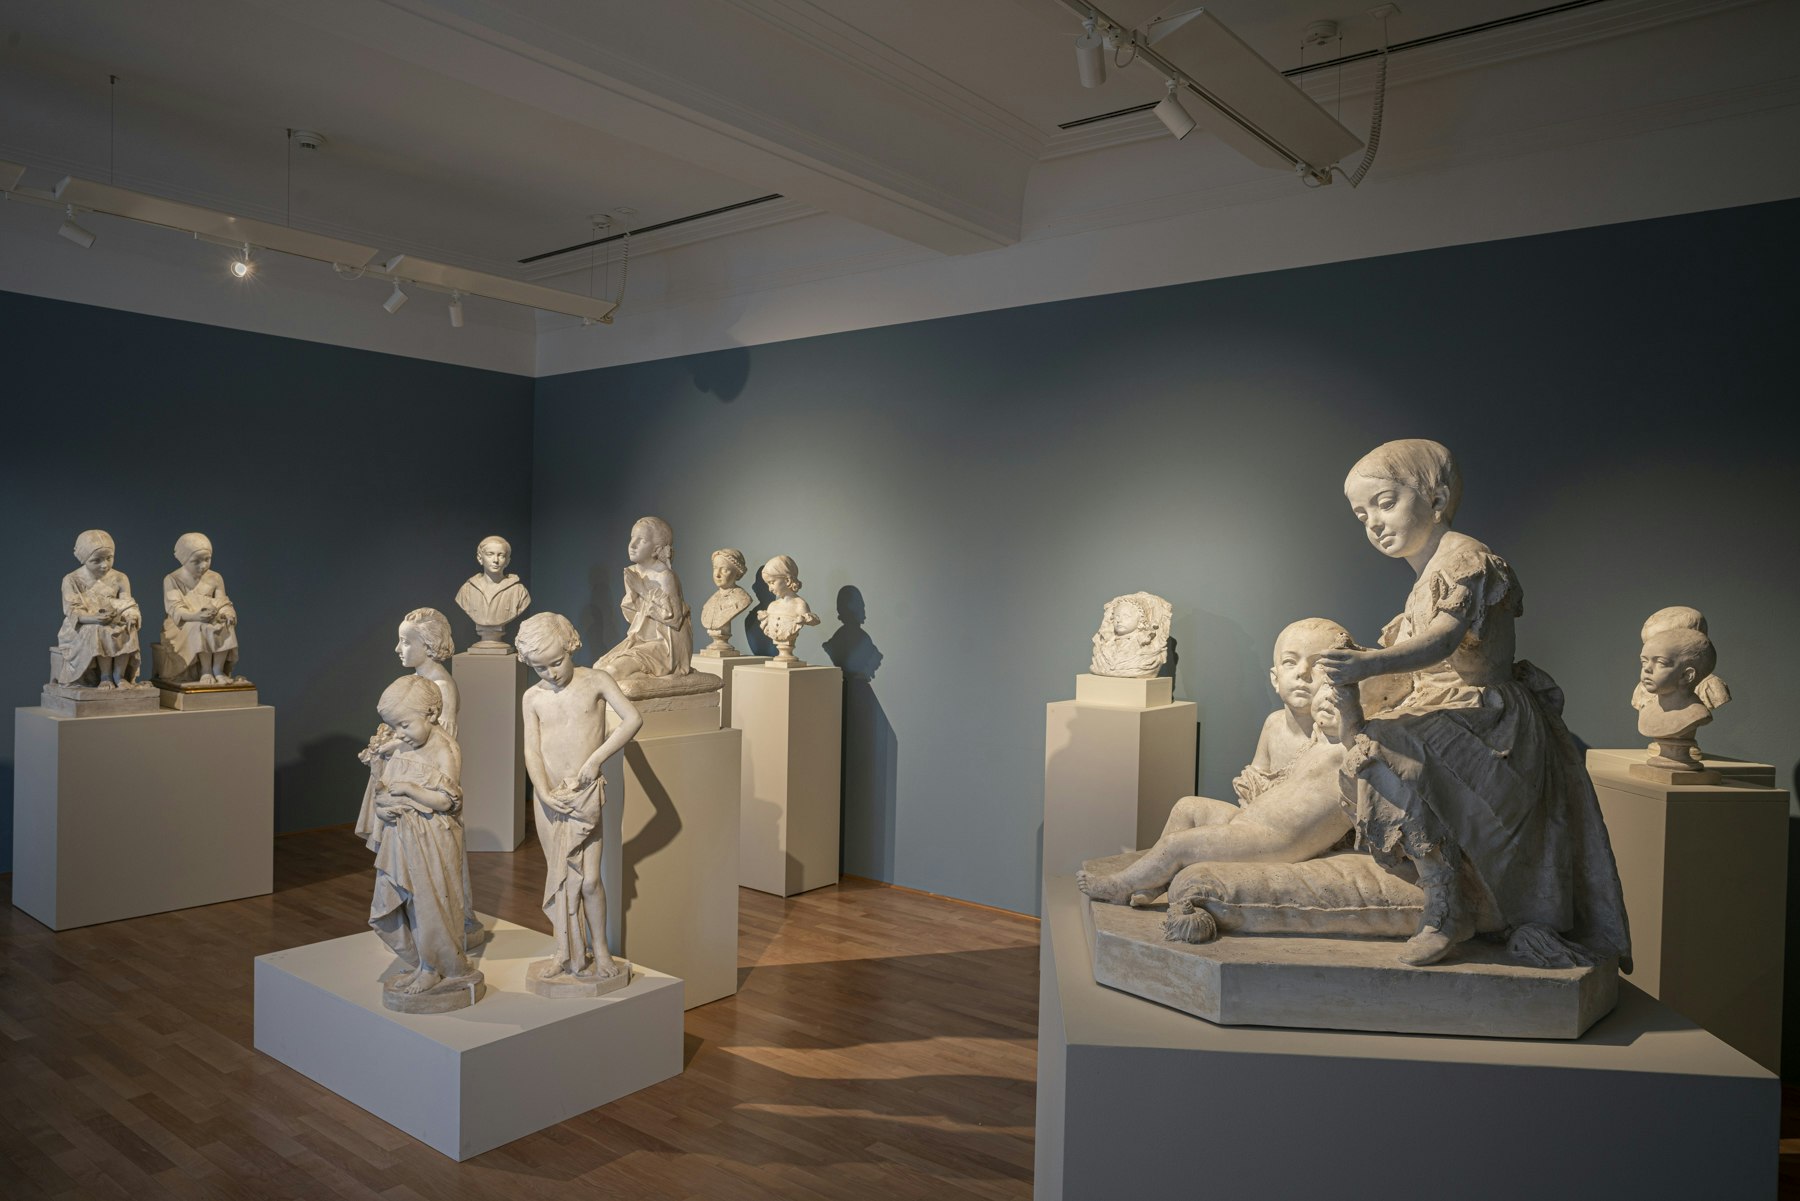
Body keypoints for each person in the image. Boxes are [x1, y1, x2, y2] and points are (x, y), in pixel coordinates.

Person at [1315, 438, 1631, 968]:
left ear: (1437, 500)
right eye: (1361, 514)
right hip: (1446, 708)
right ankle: (1442, 891)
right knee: (1366, 744)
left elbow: (1441, 642)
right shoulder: (1427, 574)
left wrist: (1368, 664)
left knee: (1380, 748)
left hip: (1488, 718)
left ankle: (1446, 906)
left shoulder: (1468, 561)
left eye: (1385, 503)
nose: (1374, 523)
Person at [1077, 679, 1354, 904]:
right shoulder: (1319, 739)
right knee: (1187, 806)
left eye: (1344, 697)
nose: (1329, 700)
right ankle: (1156, 881)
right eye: (1327, 689)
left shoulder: (1353, 752)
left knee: (1176, 845)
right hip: (1249, 821)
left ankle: (1120, 886)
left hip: (1271, 841)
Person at [518, 612, 643, 986]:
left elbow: (632, 719)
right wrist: (542, 791)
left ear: (570, 646)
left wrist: (595, 760)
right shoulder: (533, 697)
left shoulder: (596, 681)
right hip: (550, 799)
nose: (551, 673)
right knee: (561, 881)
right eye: (540, 668)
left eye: (556, 662)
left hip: (584, 794)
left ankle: (600, 950)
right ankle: (565, 951)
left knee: (589, 881)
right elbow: (531, 750)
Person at [354, 674, 481, 1001]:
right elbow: (384, 792)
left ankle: (440, 967)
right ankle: (425, 963)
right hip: (402, 839)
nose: (399, 734)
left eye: (405, 725)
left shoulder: (445, 749)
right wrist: (384, 809)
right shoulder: (403, 746)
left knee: (433, 904)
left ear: (432, 714)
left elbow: (448, 801)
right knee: (409, 900)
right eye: (394, 727)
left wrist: (411, 790)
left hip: (434, 840)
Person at [596, 516, 692, 679]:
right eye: (632, 538)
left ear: (656, 549)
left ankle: (644, 679)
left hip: (666, 645)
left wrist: (641, 590)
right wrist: (635, 593)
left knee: (613, 671)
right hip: (642, 639)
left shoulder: (665, 576)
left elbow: (675, 620)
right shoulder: (633, 572)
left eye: (641, 540)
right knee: (599, 667)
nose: (632, 545)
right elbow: (634, 618)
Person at [55, 529, 143, 688]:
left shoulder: (120, 578)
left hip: (113, 620)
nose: (105, 565)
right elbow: (72, 610)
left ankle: (120, 675)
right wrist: (94, 618)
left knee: (128, 628)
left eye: (109, 558)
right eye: (96, 560)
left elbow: (127, 602)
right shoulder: (72, 579)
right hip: (82, 625)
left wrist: (131, 615)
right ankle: (105, 676)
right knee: (98, 629)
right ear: (84, 559)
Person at [159, 532, 239, 684]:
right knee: (199, 626)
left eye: (207, 559)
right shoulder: (172, 579)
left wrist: (227, 613)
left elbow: (222, 602)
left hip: (210, 617)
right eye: (196, 561)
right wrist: (195, 616)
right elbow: (175, 608)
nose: (203, 565)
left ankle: (218, 670)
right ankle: (206, 670)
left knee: (225, 625)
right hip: (181, 623)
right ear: (184, 560)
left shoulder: (215, 578)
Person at [454, 535, 531, 646]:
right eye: (490, 554)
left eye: (501, 555)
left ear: (507, 561)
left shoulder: (519, 591)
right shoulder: (466, 590)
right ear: (480, 558)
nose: (495, 560)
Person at [395, 607, 459, 738]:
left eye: (405, 642)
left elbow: (445, 742)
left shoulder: (442, 688)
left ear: (429, 645)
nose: (397, 649)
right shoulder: (415, 679)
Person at [757, 555, 819, 663]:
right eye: (768, 584)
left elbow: (813, 620)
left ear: (787, 580)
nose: (770, 589)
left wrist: (806, 619)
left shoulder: (800, 605)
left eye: (772, 582)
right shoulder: (772, 606)